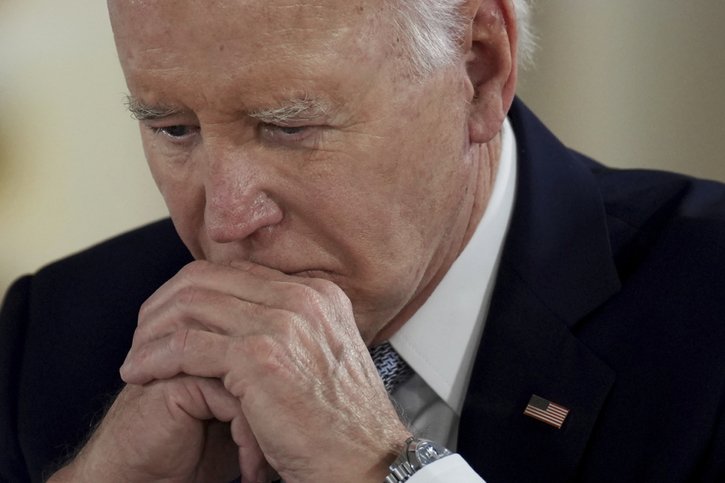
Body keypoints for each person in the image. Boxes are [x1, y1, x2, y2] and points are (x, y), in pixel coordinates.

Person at [1, 0, 724, 481]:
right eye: (172, 129)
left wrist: (381, 465)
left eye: (287, 127)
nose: (224, 218)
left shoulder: (707, 304)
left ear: (477, 67)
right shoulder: (55, 334)